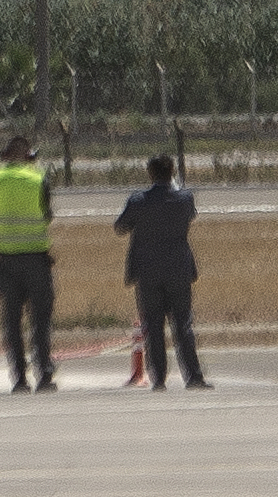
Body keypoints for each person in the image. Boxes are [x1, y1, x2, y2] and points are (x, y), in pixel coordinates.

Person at [114, 154, 209, 390]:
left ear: (150, 173)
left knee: (153, 327)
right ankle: (194, 376)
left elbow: (120, 227)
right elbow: (191, 214)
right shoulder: (185, 199)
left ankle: (158, 379)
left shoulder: (138, 201)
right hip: (178, 268)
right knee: (183, 326)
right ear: (172, 171)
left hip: (148, 271)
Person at [0, 135, 55, 393]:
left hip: (3, 261)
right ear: (28, 156)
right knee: (40, 321)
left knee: (11, 322)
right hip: (35, 258)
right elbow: (47, 214)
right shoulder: (38, 178)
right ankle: (44, 374)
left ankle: (18, 378)